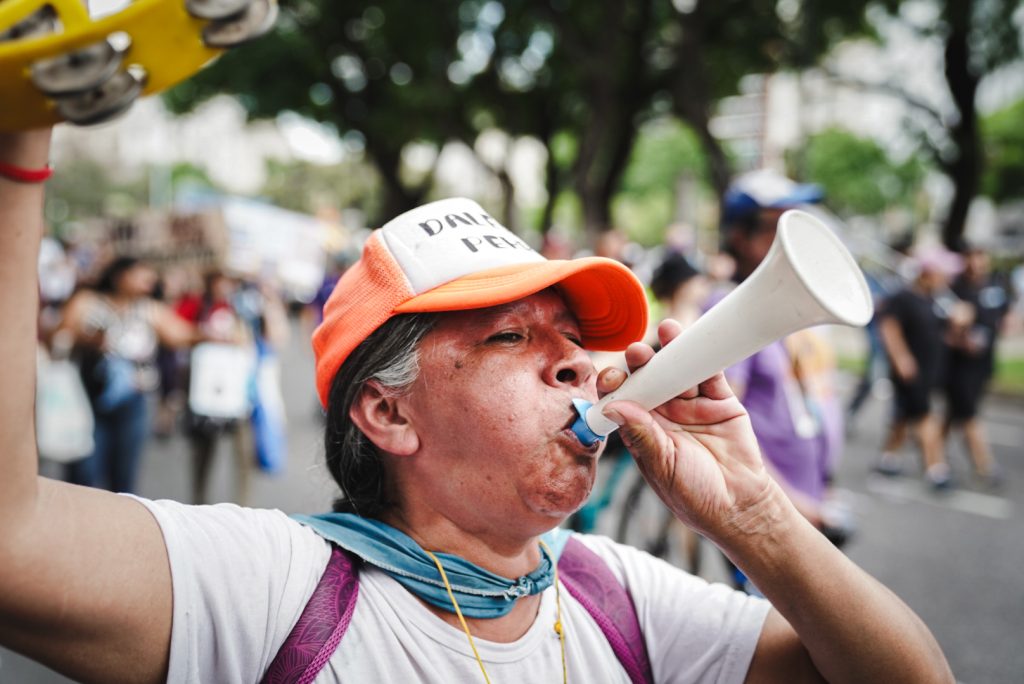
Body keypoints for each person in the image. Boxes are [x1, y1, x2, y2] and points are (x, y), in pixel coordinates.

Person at [0, 128, 952, 683]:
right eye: (512, 337)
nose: (581, 365)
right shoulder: (274, 588)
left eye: (575, 340)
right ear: (388, 414)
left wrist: (758, 519)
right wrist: (18, 152)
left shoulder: (618, 595)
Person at [718, 169, 845, 533]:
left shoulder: (798, 304)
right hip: (773, 510)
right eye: (777, 225)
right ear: (739, 236)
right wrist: (787, 499)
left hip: (811, 497)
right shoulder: (731, 308)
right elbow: (719, 426)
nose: (793, 237)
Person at [56, 254, 200, 494]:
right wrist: (87, 339)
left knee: (123, 478)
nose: (149, 280)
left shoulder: (148, 309)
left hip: (132, 401)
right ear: (119, 276)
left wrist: (214, 335)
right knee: (83, 474)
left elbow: (180, 335)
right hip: (86, 398)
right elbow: (59, 336)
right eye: (141, 274)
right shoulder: (87, 302)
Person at [876, 245, 965, 489]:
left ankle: (888, 458)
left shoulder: (936, 300)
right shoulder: (904, 297)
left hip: (929, 370)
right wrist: (901, 358)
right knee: (925, 416)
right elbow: (888, 328)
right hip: (911, 370)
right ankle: (936, 469)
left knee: (905, 415)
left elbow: (947, 333)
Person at [943, 245, 1011, 487]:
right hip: (959, 365)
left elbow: (1004, 317)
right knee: (969, 413)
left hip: (985, 362)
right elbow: (943, 326)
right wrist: (959, 331)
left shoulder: (996, 285)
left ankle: (935, 455)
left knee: (955, 412)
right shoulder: (954, 288)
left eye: (980, 257)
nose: (975, 263)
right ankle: (985, 465)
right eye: (970, 257)